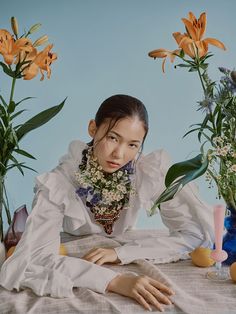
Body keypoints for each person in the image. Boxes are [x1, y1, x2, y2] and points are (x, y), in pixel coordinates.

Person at [0, 94, 214, 312]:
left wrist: (122, 253)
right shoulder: (59, 183)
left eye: (133, 144)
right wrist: (114, 281)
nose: (119, 154)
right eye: (113, 138)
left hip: (123, 253)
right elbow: (34, 258)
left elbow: (193, 234)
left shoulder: (147, 171)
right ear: (93, 128)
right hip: (81, 258)